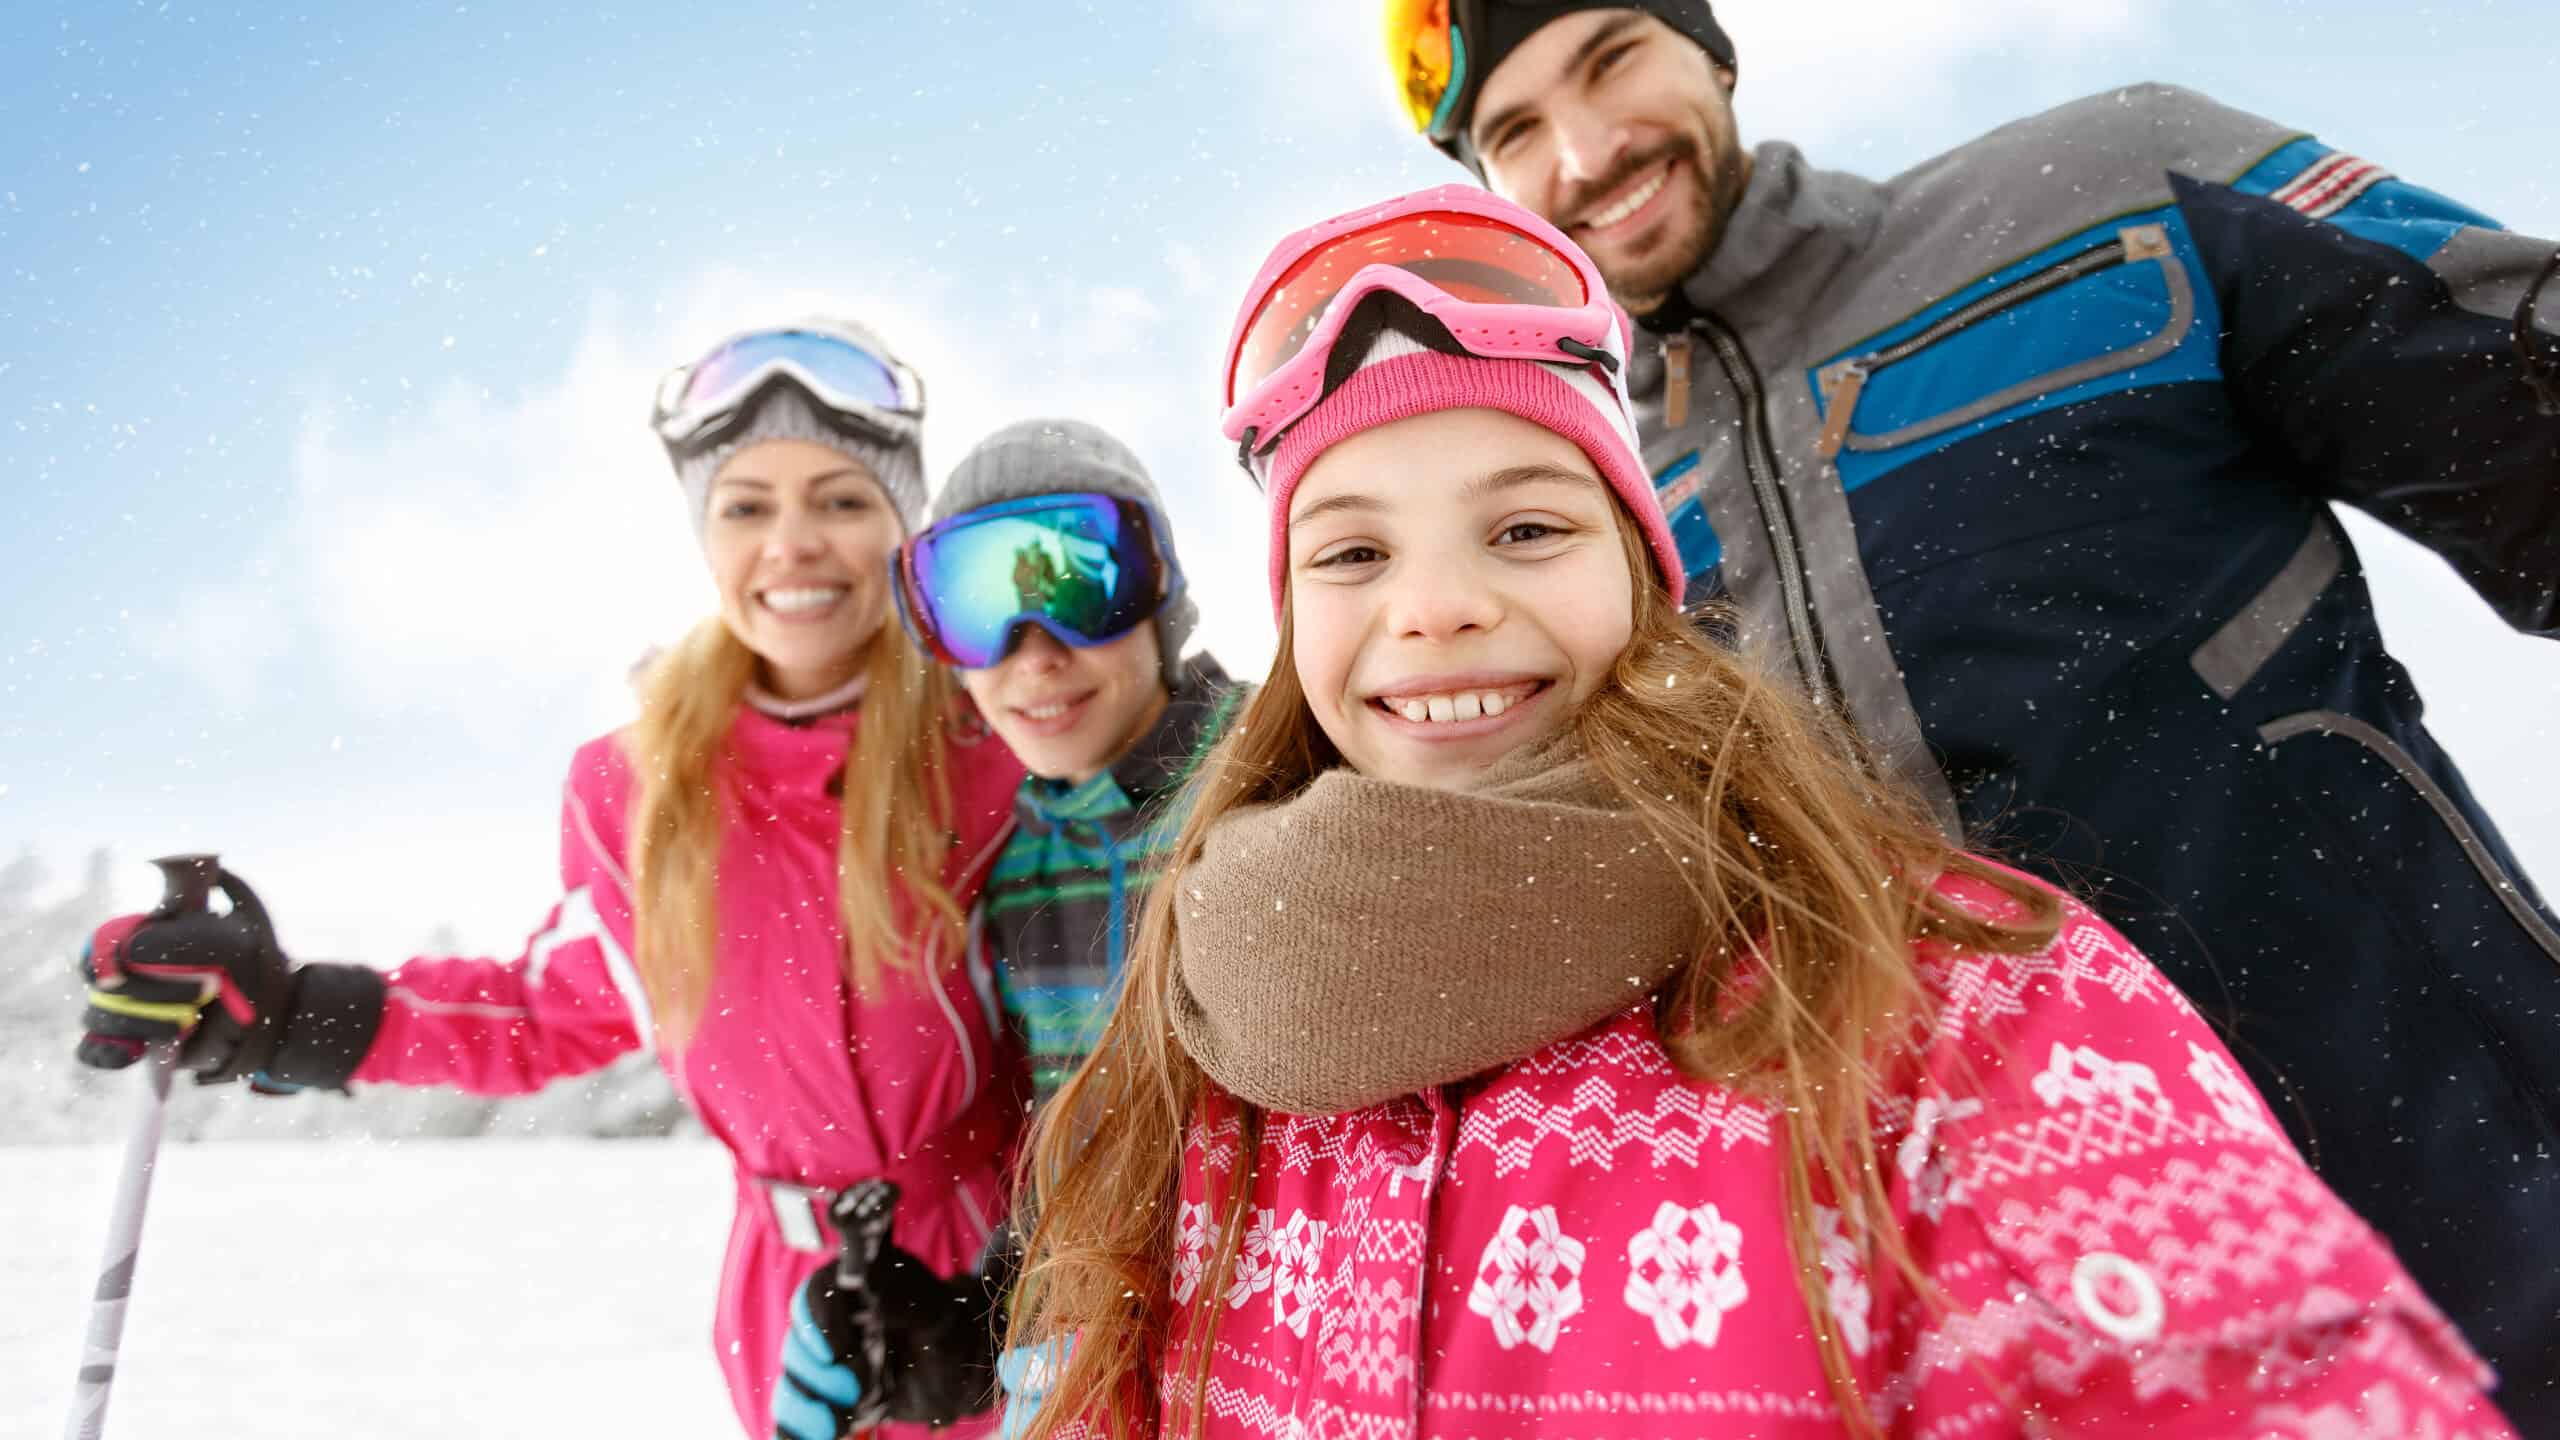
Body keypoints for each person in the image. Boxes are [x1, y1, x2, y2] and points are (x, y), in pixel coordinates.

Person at [996, 188, 2516, 1438]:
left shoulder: (1954, 1008)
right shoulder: (1198, 1044)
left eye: (1526, 526)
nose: (1439, 607)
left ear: (1645, 574)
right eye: (1350, 554)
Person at [1378, 0, 2560, 1414]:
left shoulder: (2105, 191)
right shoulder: (1577, 516)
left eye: (1612, 58)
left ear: (1713, 48)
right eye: (1513, 131)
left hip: (2456, 1185)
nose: (1582, 151)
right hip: (2008, 1328)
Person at [71, 318, 1028, 1440]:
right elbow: (547, 1011)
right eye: (747, 506)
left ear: (900, 527)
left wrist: (1012, 1277)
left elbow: (1094, 1035)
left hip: (999, 1282)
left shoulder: (992, 744)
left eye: (842, 500)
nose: (794, 543)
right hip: (782, 1306)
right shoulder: (637, 787)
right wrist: (294, 1011)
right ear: (705, 536)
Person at [772, 418, 1244, 1439]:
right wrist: (967, 1331)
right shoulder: (1016, 862)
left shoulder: (1271, 769)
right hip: (1087, 1374)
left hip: (1282, 1344)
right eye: (980, 605)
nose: (1034, 655)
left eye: (1081, 582)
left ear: (1159, 592)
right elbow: (1069, 1154)